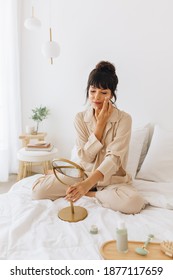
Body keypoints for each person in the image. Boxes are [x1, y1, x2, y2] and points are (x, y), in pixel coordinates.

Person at [32, 61, 147, 214]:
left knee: (134, 203)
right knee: (37, 192)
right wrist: (99, 126)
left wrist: (86, 186)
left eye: (103, 92)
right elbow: (85, 156)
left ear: (112, 94)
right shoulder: (80, 118)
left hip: (111, 180)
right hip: (82, 173)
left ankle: (91, 194)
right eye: (92, 91)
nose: (96, 97)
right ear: (88, 90)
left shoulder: (124, 119)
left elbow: (114, 159)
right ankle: (57, 176)